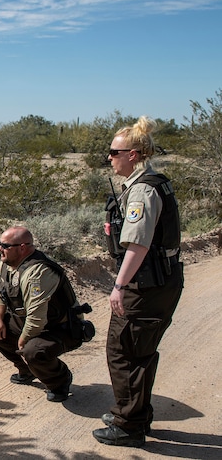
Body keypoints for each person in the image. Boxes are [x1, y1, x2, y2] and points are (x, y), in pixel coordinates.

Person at [93, 116, 183, 447]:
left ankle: (128, 425)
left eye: (114, 152)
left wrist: (119, 286)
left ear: (133, 154)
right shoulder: (155, 182)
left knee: (124, 351)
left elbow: (139, 244)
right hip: (161, 280)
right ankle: (136, 415)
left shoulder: (143, 190)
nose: (110, 158)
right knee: (140, 350)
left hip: (145, 285)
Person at [0, 226, 83, 402]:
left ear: (22, 248)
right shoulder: (7, 264)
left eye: (5, 246)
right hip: (30, 322)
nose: (0, 249)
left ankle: (59, 380)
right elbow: (0, 293)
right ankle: (28, 370)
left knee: (32, 350)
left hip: (61, 327)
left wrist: (22, 342)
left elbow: (37, 319)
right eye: (0, 244)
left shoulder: (38, 273)